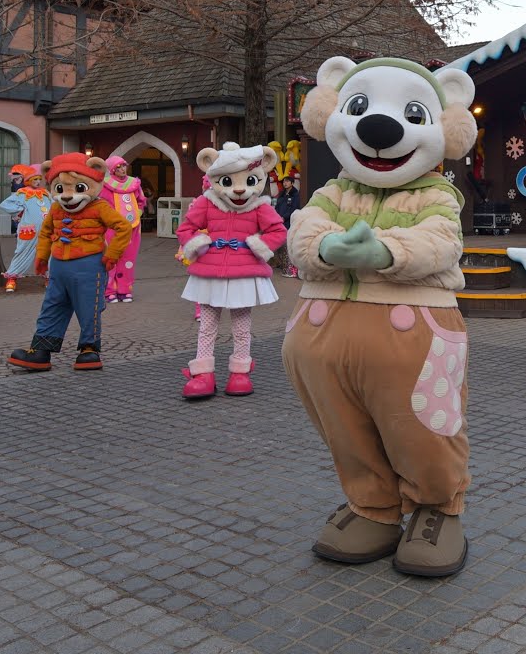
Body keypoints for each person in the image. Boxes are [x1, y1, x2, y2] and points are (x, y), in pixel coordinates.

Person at [283, 56, 478, 577]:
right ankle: (372, 505)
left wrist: (381, 252)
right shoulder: (333, 191)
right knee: (346, 431)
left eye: (414, 114)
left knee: (423, 429)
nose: (377, 126)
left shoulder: (436, 193)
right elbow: (301, 234)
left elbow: (440, 243)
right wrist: (327, 245)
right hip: (323, 335)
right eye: (361, 108)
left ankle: (437, 508)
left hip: (414, 339)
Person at [176, 142, 287, 399]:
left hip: (245, 272)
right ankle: (203, 374)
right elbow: (186, 229)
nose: (239, 189)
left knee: (241, 325)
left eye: (249, 181)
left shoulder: (260, 207)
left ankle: (240, 372)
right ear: (214, 179)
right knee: (207, 324)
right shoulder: (207, 203)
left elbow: (278, 231)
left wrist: (259, 245)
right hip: (210, 271)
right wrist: (198, 243)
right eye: (227, 181)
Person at [6, 153, 132, 371]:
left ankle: (89, 348)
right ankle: (42, 350)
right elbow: (46, 232)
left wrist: (112, 255)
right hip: (59, 267)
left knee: (88, 307)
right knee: (52, 306)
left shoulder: (99, 207)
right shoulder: (56, 208)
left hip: (89, 265)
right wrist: (42, 257)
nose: (67, 196)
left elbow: (123, 227)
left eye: (78, 188)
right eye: (60, 189)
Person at [0, 163, 53, 292]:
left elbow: (55, 207)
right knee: (22, 252)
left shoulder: (45, 194)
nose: (38, 182)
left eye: (40, 179)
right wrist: (19, 210)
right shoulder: (22, 193)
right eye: (35, 179)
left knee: (49, 254)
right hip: (29, 230)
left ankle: (49, 278)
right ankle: (12, 278)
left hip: (48, 231)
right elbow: (5, 204)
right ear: (28, 181)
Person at [100, 155, 146, 303]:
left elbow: (141, 201)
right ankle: (109, 291)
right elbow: (102, 204)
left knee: (128, 258)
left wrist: (138, 212)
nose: (122, 169)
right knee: (112, 256)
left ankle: (124, 289)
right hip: (112, 227)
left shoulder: (134, 183)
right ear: (112, 170)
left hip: (133, 228)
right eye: (118, 167)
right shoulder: (105, 185)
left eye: (123, 165)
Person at [274, 174, 300, 277]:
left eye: (287, 181)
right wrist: (275, 216)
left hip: (288, 223)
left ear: (292, 183)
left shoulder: (296, 195)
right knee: (279, 244)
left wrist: (284, 217)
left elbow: (294, 209)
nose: (285, 183)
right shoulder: (282, 194)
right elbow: (277, 207)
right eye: (284, 181)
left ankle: (290, 269)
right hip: (279, 222)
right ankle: (283, 265)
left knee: (287, 245)